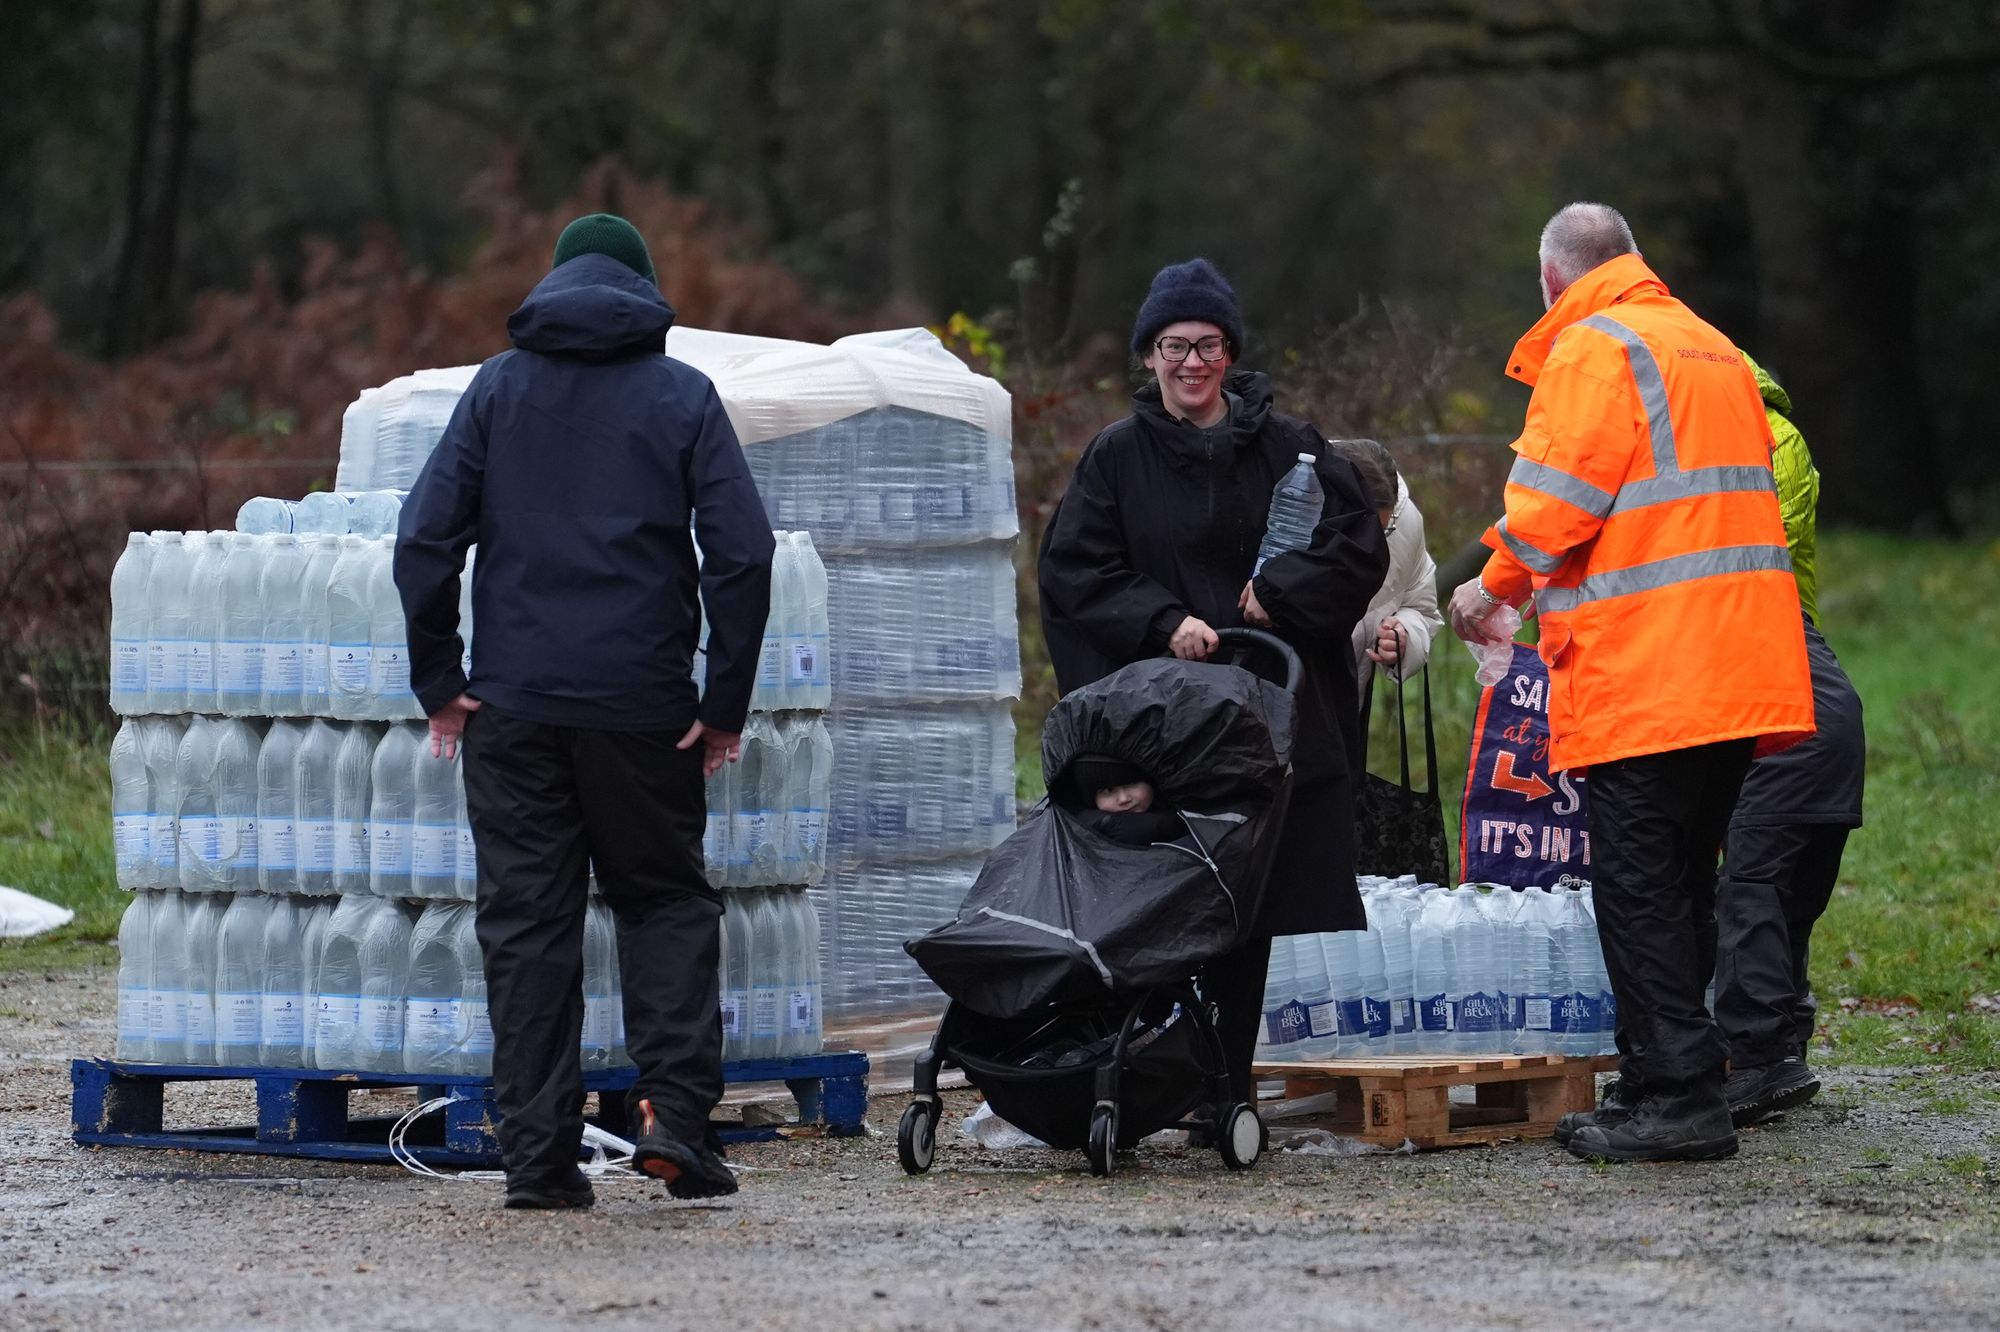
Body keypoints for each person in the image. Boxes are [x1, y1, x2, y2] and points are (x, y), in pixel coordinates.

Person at [395, 213, 774, 1209]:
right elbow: (743, 553)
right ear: (644, 293)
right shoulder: (682, 395)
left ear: (553, 284)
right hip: (643, 707)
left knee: (527, 926)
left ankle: (537, 1162)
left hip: (512, 707)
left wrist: (441, 680)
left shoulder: (496, 389)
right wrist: (722, 701)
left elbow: (424, 539)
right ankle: (675, 1125)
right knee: (663, 904)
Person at [1448, 203, 1814, 1164]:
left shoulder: (1592, 345)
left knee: (1639, 885)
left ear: (1550, 281)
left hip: (1652, 670)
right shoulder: (1713, 347)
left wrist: (1487, 589)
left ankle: (1676, 1096)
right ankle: (1684, 1076)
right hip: (1740, 671)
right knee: (1688, 880)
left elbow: (1554, 506)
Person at [1037, 257, 1389, 1107]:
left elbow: (1357, 551)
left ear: (1230, 353)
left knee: (1247, 905)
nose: (1190, 364)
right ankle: (1151, 1078)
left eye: (1207, 346)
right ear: (1148, 357)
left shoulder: (1294, 448)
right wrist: (1161, 622)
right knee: (1163, 894)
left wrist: (1280, 592)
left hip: (1268, 719)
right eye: (1172, 347)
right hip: (1165, 723)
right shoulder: (1116, 458)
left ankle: (1225, 1085)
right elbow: (1074, 572)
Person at [1713, 353, 1865, 1126]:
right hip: (1820, 704)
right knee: (1781, 900)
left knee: (1751, 889)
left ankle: (1760, 1058)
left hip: (1788, 696)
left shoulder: (1770, 440)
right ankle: (1778, 1052)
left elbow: (1754, 539)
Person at [1326, 439, 1443, 694]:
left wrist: (1403, 637)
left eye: (1381, 531)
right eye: (1359, 529)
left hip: (1347, 703)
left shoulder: (1406, 522)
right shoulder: (1286, 500)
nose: (1370, 543)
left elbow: (1420, 607)